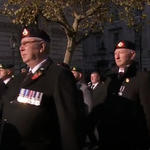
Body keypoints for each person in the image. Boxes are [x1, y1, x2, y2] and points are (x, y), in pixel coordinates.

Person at [0, 27, 85, 150]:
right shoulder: (19, 78)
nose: (21, 48)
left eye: (26, 44)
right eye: (20, 44)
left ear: (42, 47)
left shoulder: (58, 75)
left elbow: (68, 124)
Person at [92, 40, 150, 150]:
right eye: (115, 53)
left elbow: (147, 112)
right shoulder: (110, 78)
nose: (117, 57)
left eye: (121, 53)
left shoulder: (142, 78)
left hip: (131, 141)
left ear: (132, 55)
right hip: (108, 139)